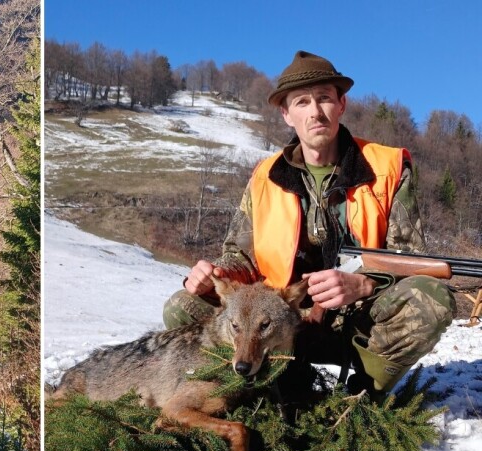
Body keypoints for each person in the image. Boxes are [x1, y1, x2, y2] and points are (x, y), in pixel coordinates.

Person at [162, 50, 456, 397]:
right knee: (182, 307)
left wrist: (363, 284)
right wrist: (214, 274)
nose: (315, 111)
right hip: (275, 323)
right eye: (302, 102)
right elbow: (240, 256)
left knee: (432, 297)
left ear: (341, 104)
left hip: (359, 323)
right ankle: (251, 389)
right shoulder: (264, 178)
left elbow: (410, 259)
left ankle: (362, 395)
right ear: (286, 114)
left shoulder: (387, 167)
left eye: (324, 98)